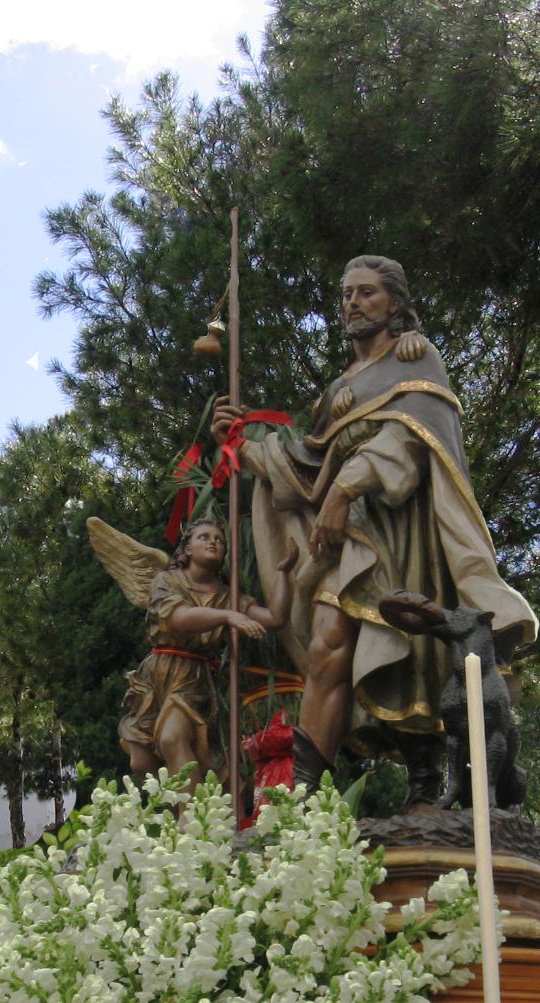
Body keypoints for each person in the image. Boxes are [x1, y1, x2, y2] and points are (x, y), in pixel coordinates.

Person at [212, 255, 537, 806]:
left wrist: (345, 490)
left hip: (404, 525)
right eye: (346, 295)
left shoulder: (418, 357)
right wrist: (243, 446)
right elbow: (312, 462)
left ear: (395, 303)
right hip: (348, 537)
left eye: (366, 293)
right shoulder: (340, 385)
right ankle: (302, 799)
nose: (353, 304)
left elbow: (411, 442)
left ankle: (425, 782)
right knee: (327, 646)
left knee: (410, 649)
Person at [119, 518, 297, 796]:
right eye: (204, 537)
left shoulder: (229, 596)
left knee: (172, 737)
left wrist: (284, 573)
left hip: (192, 677)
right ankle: (180, 811)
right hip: (156, 675)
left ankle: (191, 820)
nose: (213, 541)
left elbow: (274, 618)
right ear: (187, 548)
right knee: (141, 762)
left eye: (219, 539)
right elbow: (178, 618)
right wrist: (229, 616)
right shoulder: (166, 580)